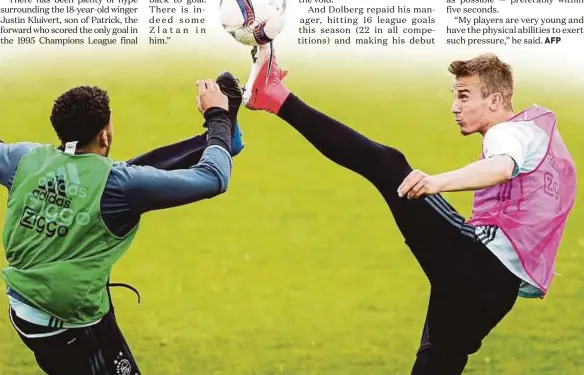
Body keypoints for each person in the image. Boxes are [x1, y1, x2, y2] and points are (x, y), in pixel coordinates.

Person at [240, 44, 577, 374]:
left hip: (478, 266)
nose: (454, 107)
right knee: (436, 365)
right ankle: (271, 95)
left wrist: (436, 182)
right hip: (496, 292)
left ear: (495, 100)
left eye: (463, 96)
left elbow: (502, 167)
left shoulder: (509, 133)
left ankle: (273, 95)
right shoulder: (539, 134)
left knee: (387, 164)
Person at [1, 72, 244, 375]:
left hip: (26, 310)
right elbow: (213, 178)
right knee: (127, 182)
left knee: (127, 179)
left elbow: (127, 177)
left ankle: (216, 140)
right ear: (105, 135)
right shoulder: (118, 187)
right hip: (72, 329)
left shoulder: (22, 159)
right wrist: (217, 116)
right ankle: (219, 137)